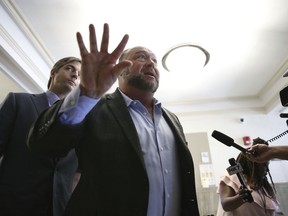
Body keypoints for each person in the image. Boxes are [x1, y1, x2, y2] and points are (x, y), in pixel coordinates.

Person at [27, 23, 200, 216]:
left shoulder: (173, 120)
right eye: (141, 57)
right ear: (119, 69)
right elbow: (44, 145)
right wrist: (85, 94)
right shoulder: (92, 108)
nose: (151, 64)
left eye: (154, 61)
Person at [0, 57, 81, 216]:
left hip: (57, 208)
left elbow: (76, 172)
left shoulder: (81, 123)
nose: (75, 76)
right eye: (70, 69)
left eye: (79, 75)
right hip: (12, 203)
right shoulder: (19, 101)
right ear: (53, 73)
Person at [216, 137, 279, 216]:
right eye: (264, 165)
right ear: (254, 164)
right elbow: (226, 205)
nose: (267, 169)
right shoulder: (231, 177)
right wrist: (241, 197)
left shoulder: (263, 187)